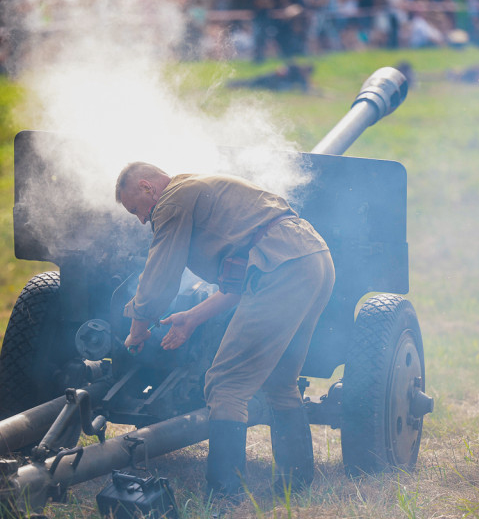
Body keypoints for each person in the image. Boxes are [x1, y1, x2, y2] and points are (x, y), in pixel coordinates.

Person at [115, 162, 335, 499]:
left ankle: (223, 496)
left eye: (136, 210)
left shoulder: (172, 199)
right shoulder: (200, 190)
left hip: (282, 267)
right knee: (280, 380)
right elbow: (239, 285)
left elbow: (160, 278)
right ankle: (297, 485)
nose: (142, 219)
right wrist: (193, 317)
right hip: (311, 258)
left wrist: (138, 327)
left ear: (148, 188)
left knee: (225, 384)